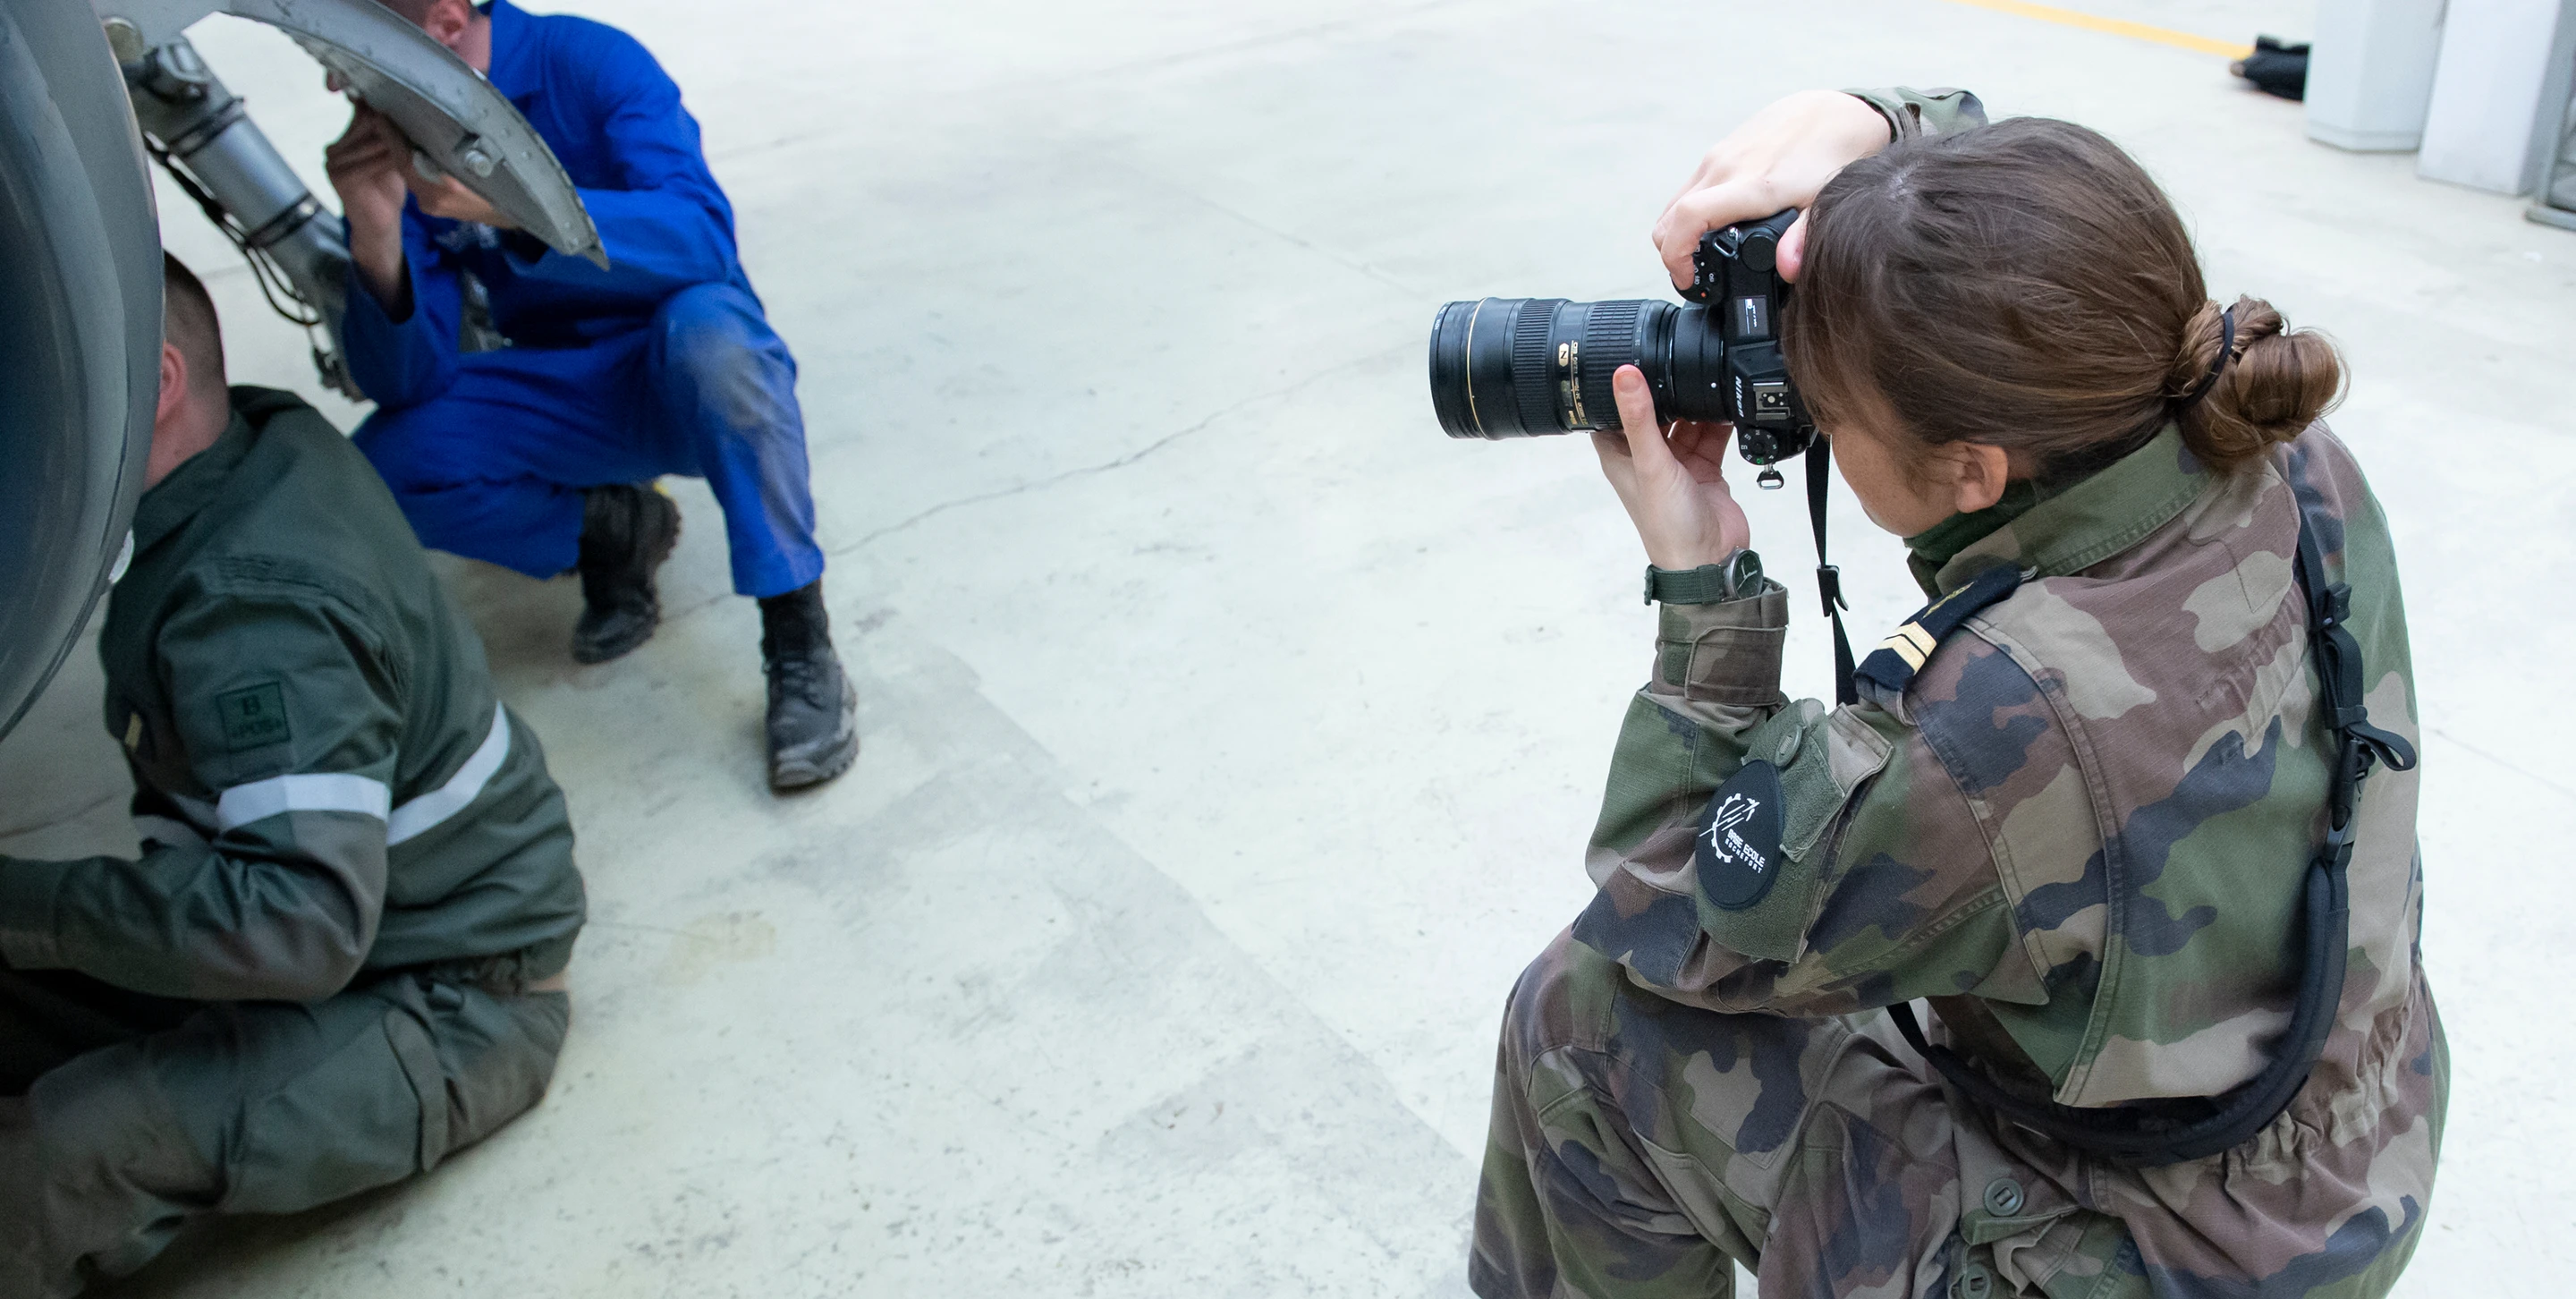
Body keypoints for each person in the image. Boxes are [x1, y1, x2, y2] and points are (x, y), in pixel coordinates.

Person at [1470, 89, 2443, 1298]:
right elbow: (2044, 233)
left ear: (1973, 469)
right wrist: (1869, 126)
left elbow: (1673, 903)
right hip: (2342, 1136)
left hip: (2161, 1254)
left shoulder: (2003, 724)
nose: (1806, 414)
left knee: (1582, 1022)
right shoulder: (2266, 432)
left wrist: (1702, 584)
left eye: (1828, 409)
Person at [0, 255, 587, 1297]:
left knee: (60, 1151)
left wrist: (30, 904)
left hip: (451, 1000)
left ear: (162, 384)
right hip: (359, 932)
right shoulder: (242, 451)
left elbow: (297, 925)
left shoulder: (253, 605)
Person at [321, 0, 857, 791]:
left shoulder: (593, 65)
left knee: (718, 343)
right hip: (558, 388)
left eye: (363, 55)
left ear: (439, 25)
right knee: (384, 471)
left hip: (673, 368)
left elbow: (702, 239)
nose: (343, 84)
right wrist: (374, 234)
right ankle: (610, 532)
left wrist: (517, 209)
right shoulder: (408, 131)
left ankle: (799, 636)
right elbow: (410, 384)